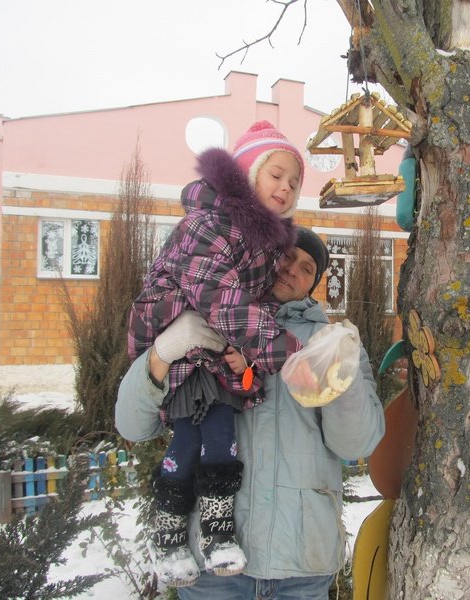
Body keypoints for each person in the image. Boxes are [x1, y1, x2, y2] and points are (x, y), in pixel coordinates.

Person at [116, 228, 385, 599]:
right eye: (287, 256)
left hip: (302, 565)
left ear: (312, 285)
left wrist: (341, 370)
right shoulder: (205, 319)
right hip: (213, 574)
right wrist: (163, 351)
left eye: (307, 269)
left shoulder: (327, 343)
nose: (293, 269)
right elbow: (131, 425)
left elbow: (356, 443)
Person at [127, 121, 306, 586]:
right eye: (276, 175)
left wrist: (251, 360)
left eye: (294, 182)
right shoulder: (207, 223)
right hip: (179, 346)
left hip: (216, 354)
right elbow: (222, 300)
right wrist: (288, 352)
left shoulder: (265, 246)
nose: (285, 188)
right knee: (188, 440)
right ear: (247, 174)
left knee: (223, 438)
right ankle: (168, 536)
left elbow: (256, 305)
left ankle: (217, 532)